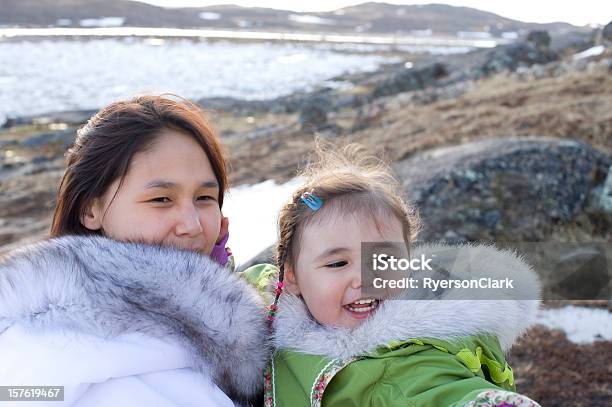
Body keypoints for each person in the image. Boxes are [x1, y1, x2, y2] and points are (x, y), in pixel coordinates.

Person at [0, 95, 269, 407]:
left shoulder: (245, 336)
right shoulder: (45, 353)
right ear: (90, 209)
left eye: (205, 197)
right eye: (161, 199)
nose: (192, 224)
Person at [243, 143, 541, 406]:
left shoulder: (407, 356)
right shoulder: (266, 304)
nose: (364, 278)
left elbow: (438, 392)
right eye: (337, 264)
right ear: (292, 278)